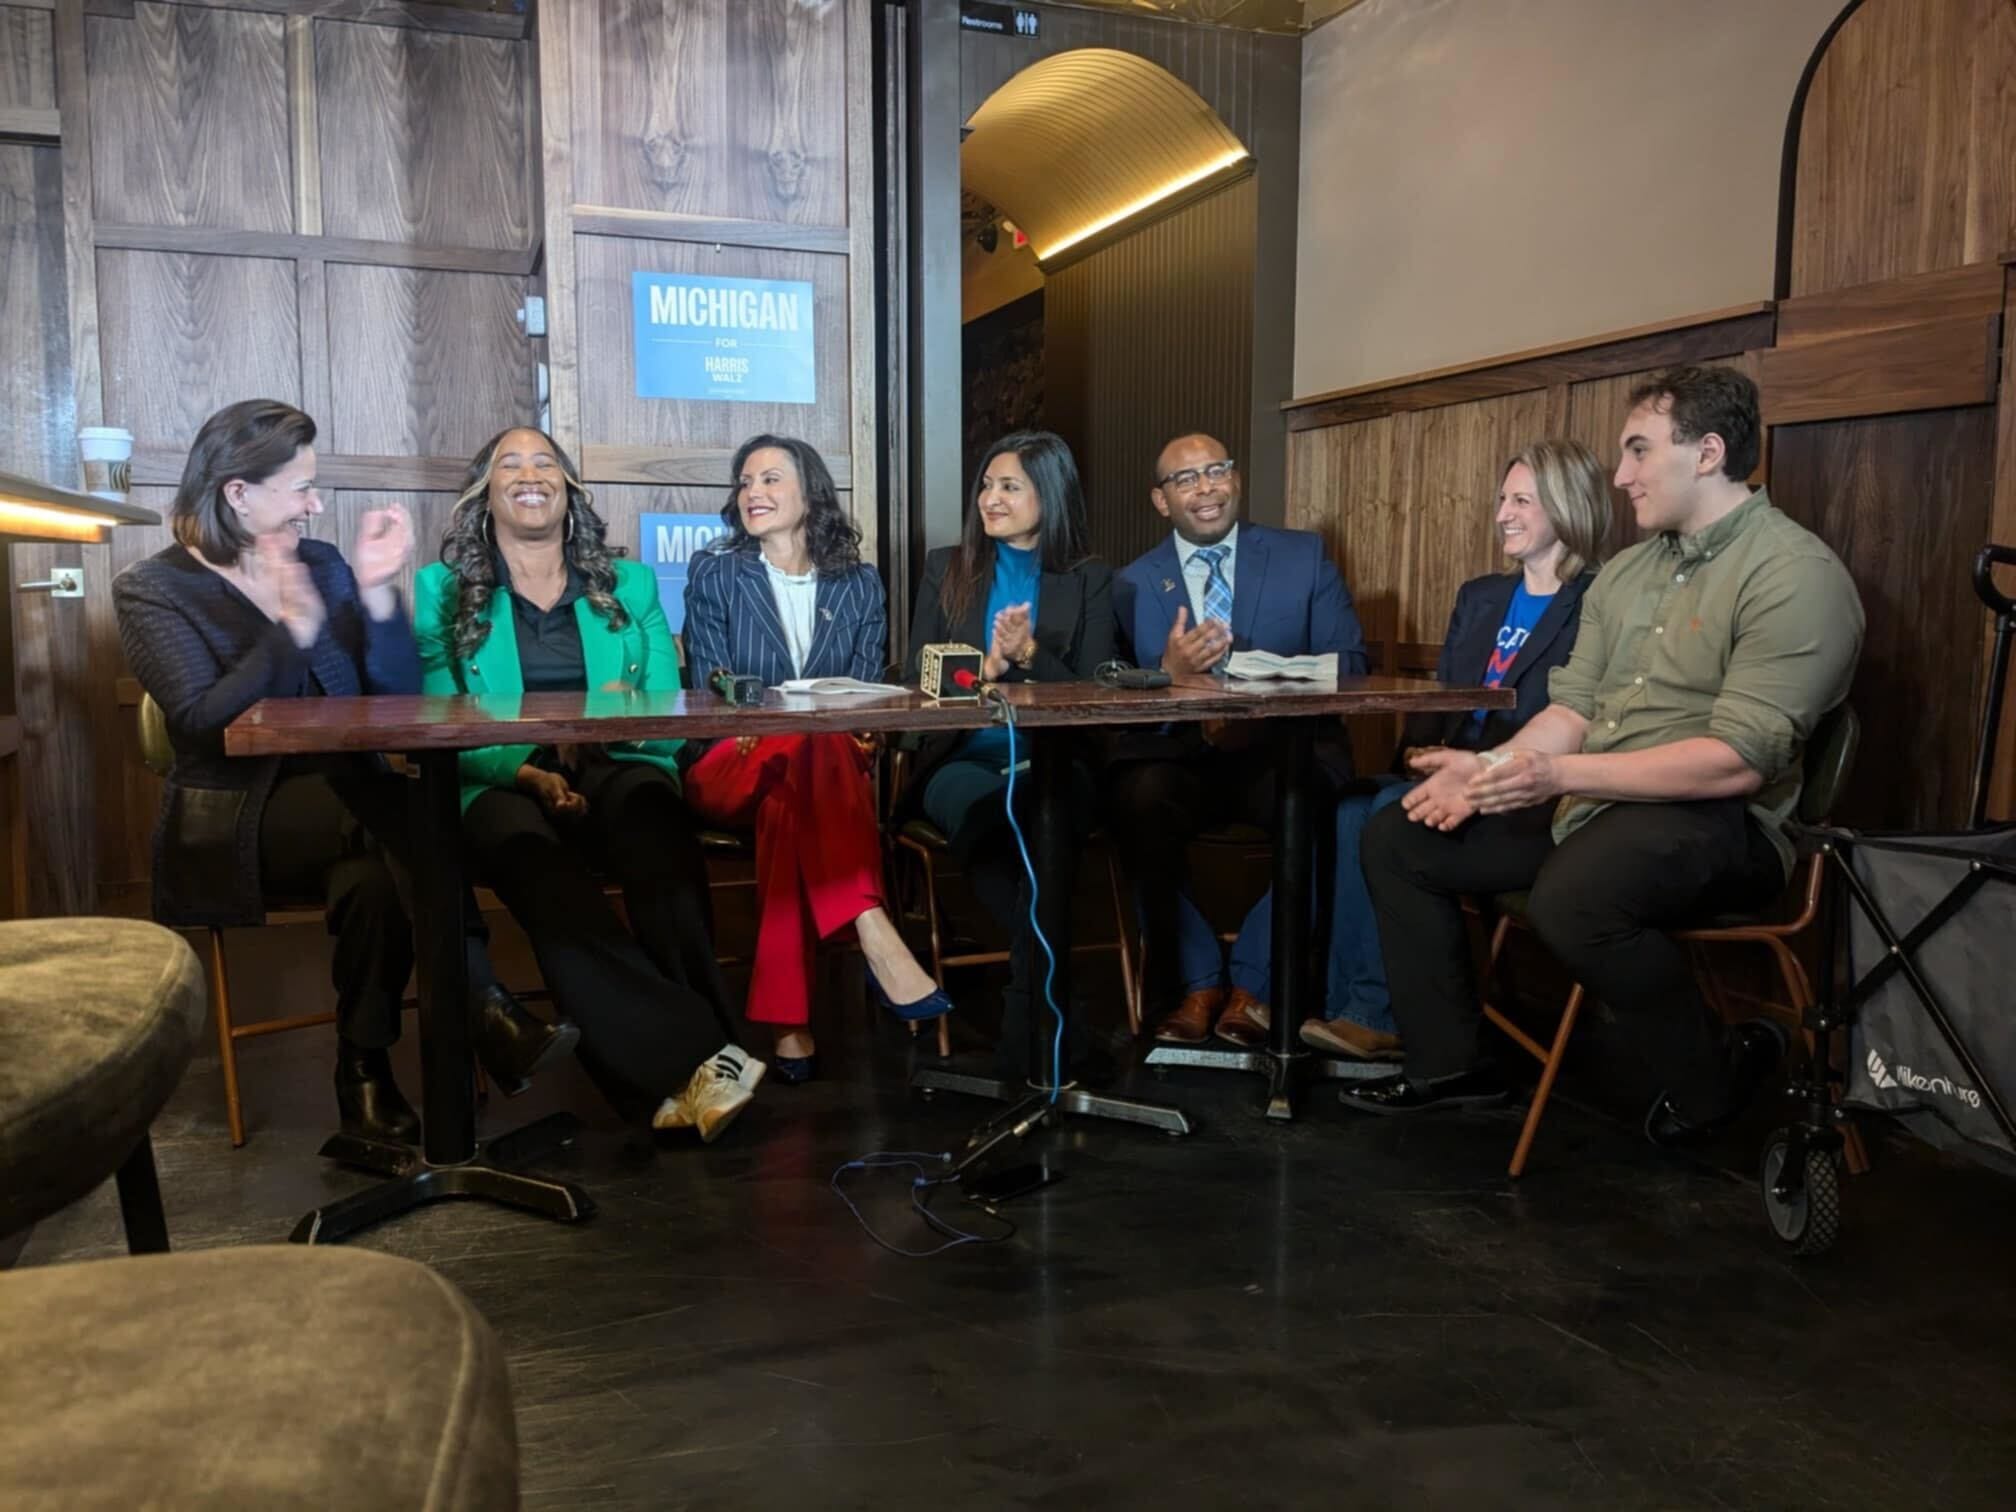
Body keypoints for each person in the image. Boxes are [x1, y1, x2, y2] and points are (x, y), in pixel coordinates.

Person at [1349, 366, 1864, 1147]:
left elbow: (1736, 762)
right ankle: (1452, 1065)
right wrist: (1487, 774)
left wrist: (1551, 777)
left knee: (1573, 895)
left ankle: (1714, 1076)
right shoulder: (1625, 574)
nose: (1619, 476)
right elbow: (1572, 710)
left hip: (1720, 820)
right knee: (1400, 836)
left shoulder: (1795, 574)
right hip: (1594, 805)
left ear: (1707, 452)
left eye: (1638, 452)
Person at [114, 399, 570, 1145]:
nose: (315, 503)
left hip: (355, 811)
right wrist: (289, 636)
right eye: (300, 487)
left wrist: (380, 592)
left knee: (374, 883)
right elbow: (199, 724)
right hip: (239, 815)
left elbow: (391, 693)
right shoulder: (154, 589)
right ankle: (483, 1003)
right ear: (238, 492)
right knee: (401, 817)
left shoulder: (321, 564)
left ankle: (363, 1072)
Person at [413, 425, 761, 1141]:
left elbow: (665, 712)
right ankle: (698, 1062)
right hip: (501, 776)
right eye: (509, 463)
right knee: (539, 865)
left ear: (571, 491)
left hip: (616, 761)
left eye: (546, 461)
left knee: (655, 830)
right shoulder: (441, 592)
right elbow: (440, 724)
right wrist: (527, 772)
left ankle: (700, 1070)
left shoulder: (628, 585)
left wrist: (613, 715)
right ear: (484, 495)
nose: (530, 472)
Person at [1303, 439, 1614, 1060]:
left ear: (1569, 507)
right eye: (1503, 498)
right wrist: (1419, 758)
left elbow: (1568, 716)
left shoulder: (1598, 603)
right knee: (1348, 805)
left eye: (1522, 500)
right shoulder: (1480, 596)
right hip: (1449, 766)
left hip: (1522, 795)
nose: (1503, 512)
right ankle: (1341, 1006)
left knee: (1383, 817)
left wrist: (1460, 771)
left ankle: (1381, 1015)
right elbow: (1444, 701)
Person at [682, 434, 950, 1083]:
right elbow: (711, 681)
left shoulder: (857, 584)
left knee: (799, 783)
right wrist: (783, 723)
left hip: (820, 773)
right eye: (745, 482)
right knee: (806, 743)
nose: (754, 493)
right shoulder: (716, 572)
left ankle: (789, 1025)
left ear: (810, 493)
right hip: (729, 759)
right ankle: (868, 921)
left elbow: (865, 697)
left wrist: (835, 728)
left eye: (771, 479)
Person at [1108, 431, 1368, 1049]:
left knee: (1316, 806)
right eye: (1186, 479)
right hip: (1181, 755)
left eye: (1217, 471)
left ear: (1237, 480)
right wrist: (1166, 678)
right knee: (1132, 801)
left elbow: (1351, 660)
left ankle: (1255, 981)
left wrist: (1263, 701)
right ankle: (1198, 981)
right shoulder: (1130, 585)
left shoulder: (1302, 556)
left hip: (1280, 749)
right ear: (1160, 499)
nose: (1206, 488)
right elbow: (1111, 696)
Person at [904, 430, 1113, 1080]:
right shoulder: (949, 566)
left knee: (1045, 818)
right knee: (1001, 828)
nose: (990, 499)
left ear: (1049, 496)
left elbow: (1093, 689)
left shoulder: (1090, 579)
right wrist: (987, 665)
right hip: (962, 756)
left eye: (1009, 487)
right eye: (986, 486)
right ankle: (1056, 1027)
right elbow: (920, 672)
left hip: (1055, 758)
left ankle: (1029, 1029)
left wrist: (1028, 658)